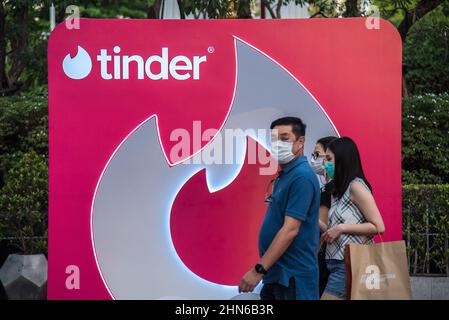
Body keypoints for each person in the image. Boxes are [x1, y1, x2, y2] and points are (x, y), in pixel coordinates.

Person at [238, 116, 320, 300]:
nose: (277, 144)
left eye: (284, 138)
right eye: (274, 139)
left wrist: (258, 269)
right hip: (276, 275)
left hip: (293, 278)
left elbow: (290, 230)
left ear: (301, 141)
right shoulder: (285, 175)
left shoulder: (302, 177)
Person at [320, 137, 385, 300]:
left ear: (342, 159)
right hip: (335, 263)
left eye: (329, 159)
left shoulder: (356, 186)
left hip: (349, 263)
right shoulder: (337, 191)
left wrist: (341, 228)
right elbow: (333, 229)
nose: (325, 164)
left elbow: (378, 226)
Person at [310, 136, 337, 296]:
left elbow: (326, 228)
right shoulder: (326, 187)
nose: (314, 159)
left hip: (326, 256)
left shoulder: (330, 188)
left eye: (318, 155)